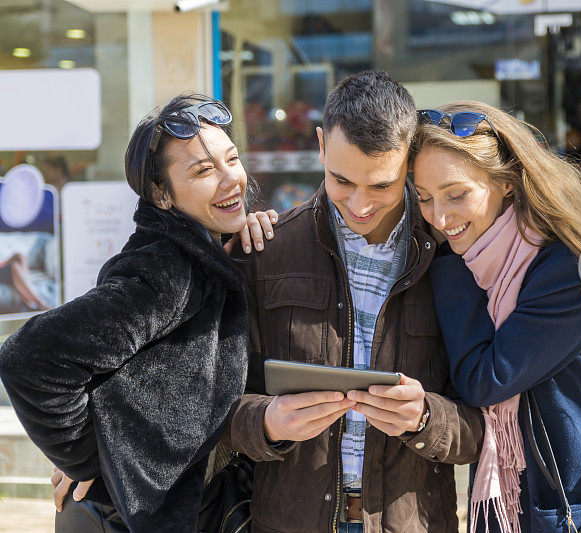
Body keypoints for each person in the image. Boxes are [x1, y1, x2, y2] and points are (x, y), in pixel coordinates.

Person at [222, 70, 485, 533]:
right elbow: (212, 408)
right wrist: (267, 422)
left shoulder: (456, 259)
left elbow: (487, 429)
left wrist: (426, 417)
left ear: (410, 160)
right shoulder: (265, 252)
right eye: (341, 180)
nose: (360, 205)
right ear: (321, 145)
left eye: (381, 185)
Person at [0, 94, 277, 532]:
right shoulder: (168, 269)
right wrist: (93, 459)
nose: (232, 181)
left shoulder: (203, 253)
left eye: (232, 160)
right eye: (204, 171)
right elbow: (28, 358)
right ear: (161, 194)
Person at [410, 101, 581, 532]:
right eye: (423, 198)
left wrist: (446, 260)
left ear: (508, 183)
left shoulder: (568, 268)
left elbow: (486, 379)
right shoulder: (488, 260)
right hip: (543, 503)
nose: (439, 217)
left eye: (457, 194)